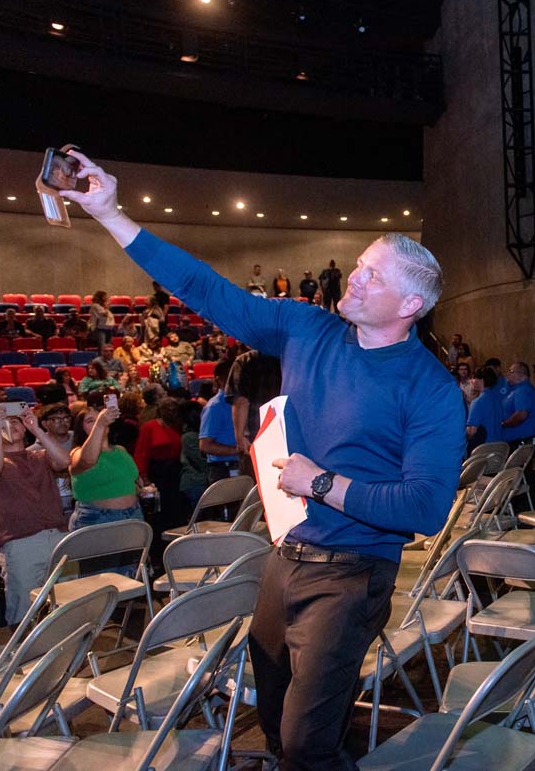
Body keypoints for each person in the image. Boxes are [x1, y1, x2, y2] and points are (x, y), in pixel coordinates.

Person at [61, 148, 463, 771]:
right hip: (286, 558)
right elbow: (206, 290)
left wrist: (322, 483)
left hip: (353, 574)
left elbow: (428, 505)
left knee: (308, 741)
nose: (352, 279)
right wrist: (112, 215)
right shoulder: (308, 328)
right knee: (275, 724)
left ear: (410, 305)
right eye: (359, 266)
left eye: (373, 276)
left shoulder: (430, 387)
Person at [0, 404, 69, 625]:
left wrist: (36, 428)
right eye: (4, 421)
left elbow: (64, 461)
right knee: (24, 612)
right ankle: (26, 658)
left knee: (66, 602)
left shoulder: (40, 456)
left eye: (15, 421)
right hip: (21, 544)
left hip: (58, 536)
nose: (10, 424)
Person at [69, 404, 144, 532]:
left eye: (99, 418)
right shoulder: (77, 453)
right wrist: (99, 425)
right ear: (81, 429)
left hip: (133, 515)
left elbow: (134, 479)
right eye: (90, 421)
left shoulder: (120, 450)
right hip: (97, 518)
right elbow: (88, 460)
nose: (98, 422)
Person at [133, 396, 185, 532]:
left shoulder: (180, 426)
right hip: (157, 473)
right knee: (160, 512)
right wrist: (144, 477)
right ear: (160, 411)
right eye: (167, 409)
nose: (171, 412)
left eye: (174, 410)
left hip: (176, 472)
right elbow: (141, 453)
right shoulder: (150, 427)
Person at [199, 359, 239, 483]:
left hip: (239, 464)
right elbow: (205, 445)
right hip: (224, 469)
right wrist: (238, 450)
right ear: (220, 380)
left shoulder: (240, 401)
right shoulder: (214, 406)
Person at [500, 361, 535, 449]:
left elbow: (521, 414)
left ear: (522, 375)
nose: (508, 374)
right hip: (515, 440)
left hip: (519, 441)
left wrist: (504, 424)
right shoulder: (516, 389)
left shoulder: (523, 390)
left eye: (511, 371)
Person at [465, 366, 503, 453]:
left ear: (481, 380)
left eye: (473, 378)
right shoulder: (497, 399)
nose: (471, 381)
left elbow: (472, 431)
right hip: (499, 447)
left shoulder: (477, 402)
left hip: (484, 450)